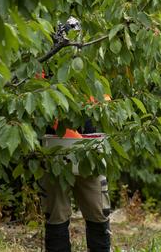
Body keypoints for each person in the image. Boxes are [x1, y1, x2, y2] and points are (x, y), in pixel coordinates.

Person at [42, 104, 112, 252]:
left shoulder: (96, 82)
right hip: (56, 151)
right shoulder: (43, 80)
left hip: (91, 150)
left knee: (98, 211)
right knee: (56, 215)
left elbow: (105, 105)